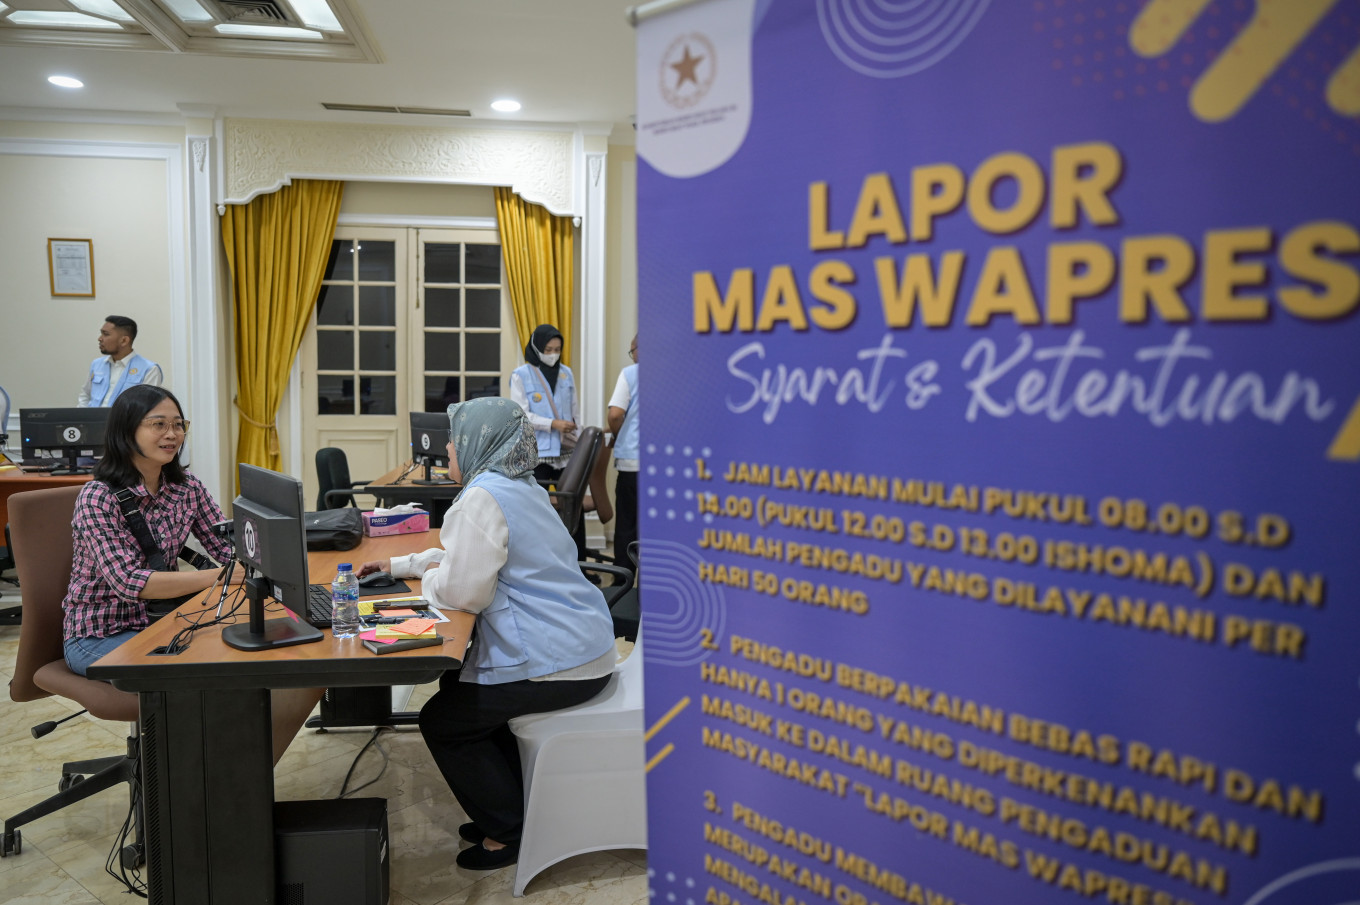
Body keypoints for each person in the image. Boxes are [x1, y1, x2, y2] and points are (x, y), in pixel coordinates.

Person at [357, 398, 615, 871]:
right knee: (456, 687)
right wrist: (403, 566)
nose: (450, 450)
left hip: (561, 661)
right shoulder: (520, 486)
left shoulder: (482, 497)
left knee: (442, 720)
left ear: (480, 442)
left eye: (456, 441)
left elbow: (462, 592)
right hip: (587, 645)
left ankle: (511, 831)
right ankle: (512, 805)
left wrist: (425, 582)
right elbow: (467, 556)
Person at [62, 384, 239, 676]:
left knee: (241, 659)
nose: (172, 434)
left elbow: (225, 545)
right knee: (198, 677)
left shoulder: (187, 487)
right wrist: (223, 577)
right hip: (99, 634)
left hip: (164, 620)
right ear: (126, 431)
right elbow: (130, 582)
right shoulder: (98, 497)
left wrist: (260, 554)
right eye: (159, 424)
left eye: (178, 425)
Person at [509, 323, 587, 558]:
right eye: (549, 349)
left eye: (557, 349)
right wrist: (552, 423)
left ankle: (580, 563)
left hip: (566, 452)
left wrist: (580, 437)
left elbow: (575, 411)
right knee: (536, 509)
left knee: (574, 507)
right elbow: (521, 414)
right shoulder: (521, 375)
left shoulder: (567, 373)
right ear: (537, 347)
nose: (553, 354)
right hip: (538, 452)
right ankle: (538, 559)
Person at [78, 315, 163, 408]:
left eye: (105, 334)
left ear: (124, 340)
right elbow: (85, 395)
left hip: (124, 422)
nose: (100, 338)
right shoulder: (96, 364)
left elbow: (146, 408)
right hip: (92, 421)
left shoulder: (149, 370)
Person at [607, 335, 639, 569]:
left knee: (628, 524)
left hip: (633, 462)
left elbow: (616, 414)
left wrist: (620, 434)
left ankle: (622, 580)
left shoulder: (630, 374)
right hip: (664, 463)